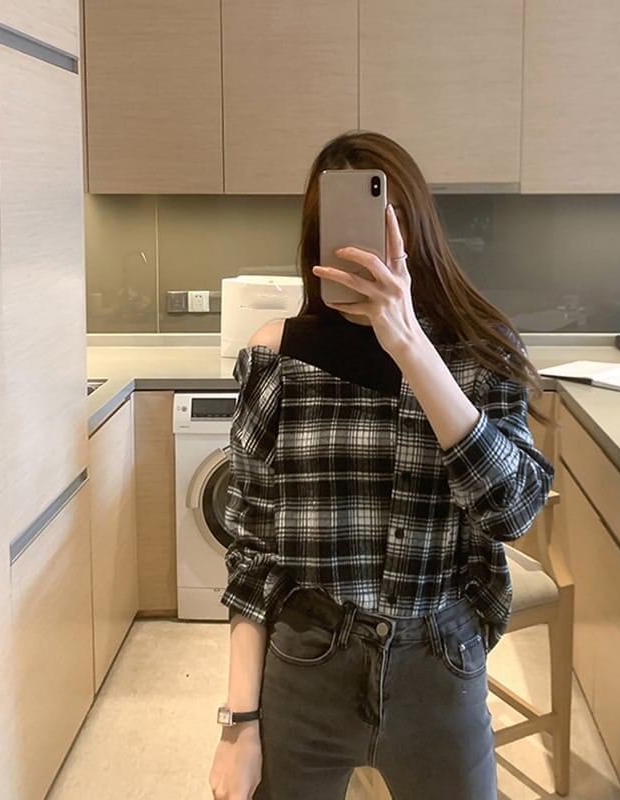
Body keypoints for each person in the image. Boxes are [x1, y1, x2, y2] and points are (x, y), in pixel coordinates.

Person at [209, 130, 555, 800]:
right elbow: (252, 553)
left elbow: (512, 513)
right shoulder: (276, 359)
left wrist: (411, 347)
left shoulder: (479, 355)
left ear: (414, 233)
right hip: (306, 660)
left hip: (439, 662)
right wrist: (238, 724)